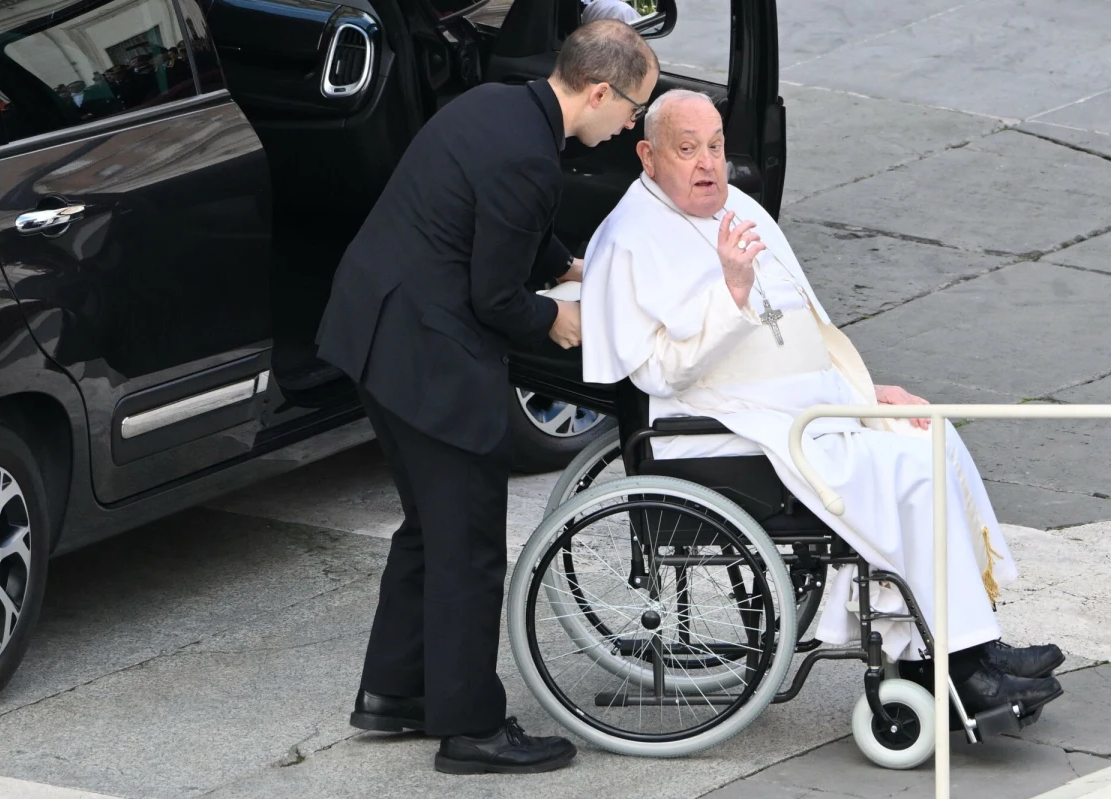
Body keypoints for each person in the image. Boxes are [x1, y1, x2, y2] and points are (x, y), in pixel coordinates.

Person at [576, 88, 1065, 715]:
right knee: (906, 470)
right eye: (688, 149)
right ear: (648, 155)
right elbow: (661, 373)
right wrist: (731, 291)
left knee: (927, 435)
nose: (708, 164)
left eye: (717, 147)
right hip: (719, 429)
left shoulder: (738, 206)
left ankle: (964, 648)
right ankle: (960, 668)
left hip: (791, 408)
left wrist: (867, 393)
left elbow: (805, 324)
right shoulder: (631, 237)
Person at [315, 20, 660, 774]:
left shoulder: (498, 107)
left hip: (376, 331)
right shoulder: (529, 158)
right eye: (634, 110)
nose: (631, 124)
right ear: (600, 91)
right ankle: (471, 727)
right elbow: (498, 297)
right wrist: (559, 320)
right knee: (468, 546)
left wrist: (567, 265)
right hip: (427, 358)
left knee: (427, 529)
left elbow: (502, 222)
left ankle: (394, 692)